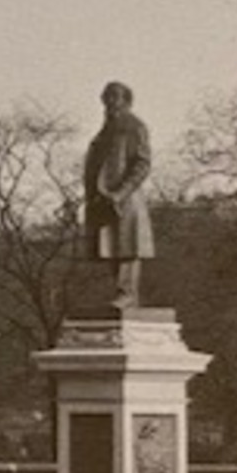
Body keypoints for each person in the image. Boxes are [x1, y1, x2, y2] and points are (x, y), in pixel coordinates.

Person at [83, 80, 154, 308]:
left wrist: (121, 193)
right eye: (107, 97)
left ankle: (128, 294)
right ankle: (123, 294)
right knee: (112, 248)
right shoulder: (105, 131)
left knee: (127, 248)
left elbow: (142, 164)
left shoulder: (134, 126)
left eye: (115, 97)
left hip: (125, 199)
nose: (110, 102)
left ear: (126, 101)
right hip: (103, 199)